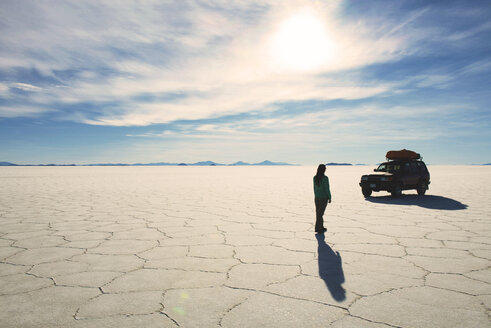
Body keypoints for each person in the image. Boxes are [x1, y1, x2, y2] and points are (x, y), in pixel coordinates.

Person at [313, 164, 331, 233]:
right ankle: (318, 228)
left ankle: (321, 227)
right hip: (323, 197)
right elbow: (327, 188)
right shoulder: (325, 178)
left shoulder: (315, 177)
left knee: (318, 213)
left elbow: (314, 188)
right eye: (325, 168)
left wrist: (316, 195)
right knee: (320, 214)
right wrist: (329, 197)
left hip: (317, 197)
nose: (325, 169)